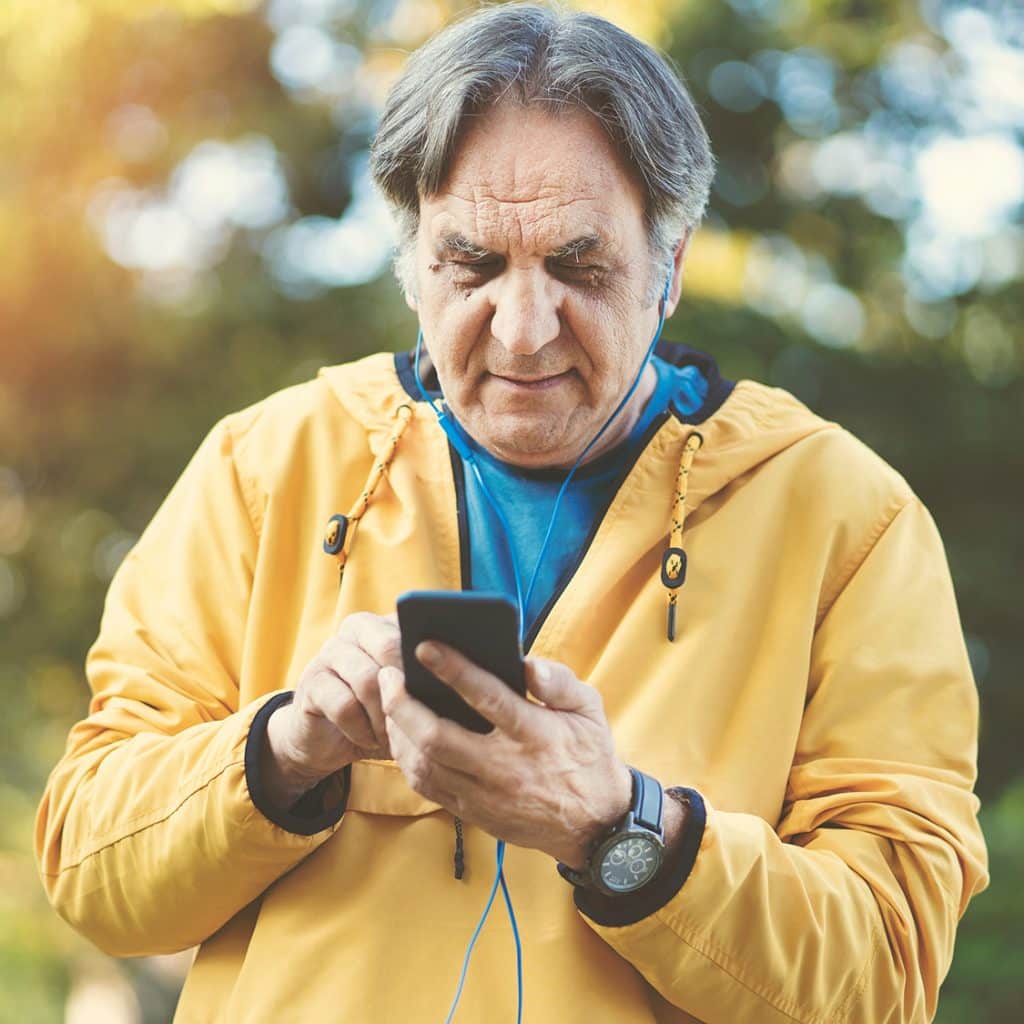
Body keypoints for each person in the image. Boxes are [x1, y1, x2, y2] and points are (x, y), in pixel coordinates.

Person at [35, 4, 988, 1022]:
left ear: (669, 269)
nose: (525, 332)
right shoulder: (261, 466)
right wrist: (284, 747)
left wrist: (620, 828)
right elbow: (93, 873)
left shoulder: (848, 519)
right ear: (410, 266)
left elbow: (885, 973)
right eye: (472, 266)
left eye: (580, 269)